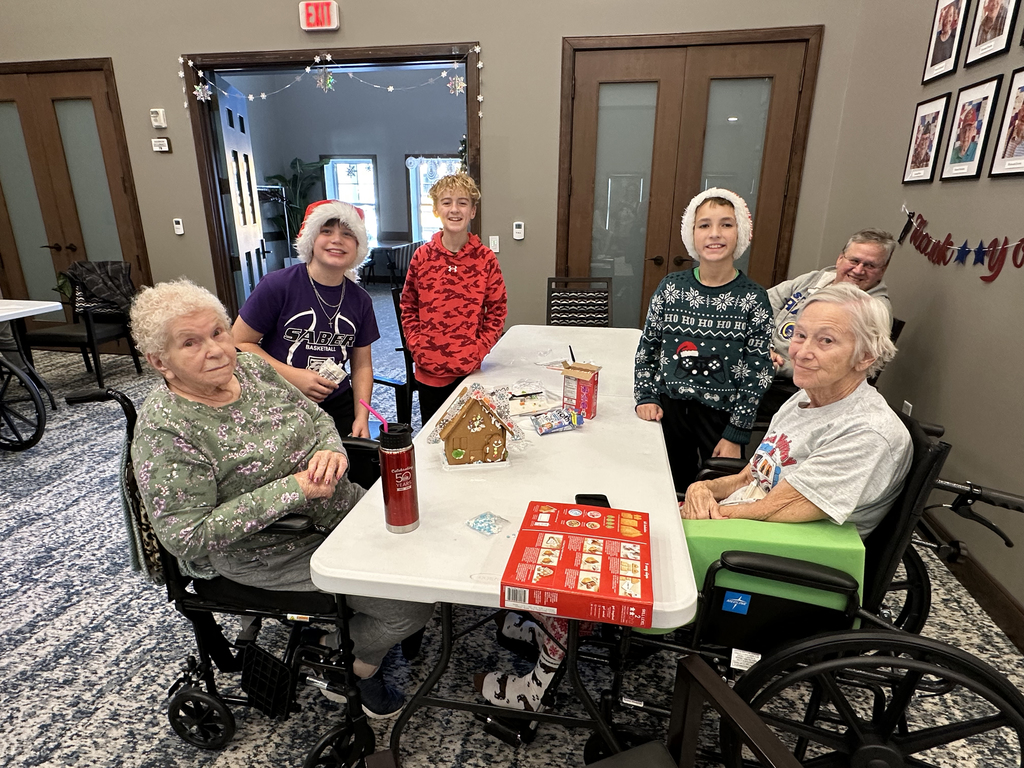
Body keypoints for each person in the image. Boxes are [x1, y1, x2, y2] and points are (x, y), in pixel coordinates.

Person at [130, 279, 433, 717]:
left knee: (427, 553)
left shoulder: (252, 370)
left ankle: (337, 635)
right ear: (161, 361)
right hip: (266, 550)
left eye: (217, 332)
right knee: (409, 606)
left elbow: (318, 419)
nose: (215, 349)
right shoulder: (167, 430)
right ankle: (351, 668)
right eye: (190, 343)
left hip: (336, 507)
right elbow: (186, 537)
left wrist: (331, 449)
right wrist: (292, 490)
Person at [682, 283, 912, 540]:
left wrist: (692, 517)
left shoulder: (867, 433)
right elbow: (751, 477)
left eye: (826, 340)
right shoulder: (804, 397)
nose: (801, 353)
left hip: (776, 555)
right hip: (744, 525)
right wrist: (700, 489)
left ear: (866, 356)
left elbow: (769, 510)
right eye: (800, 335)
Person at [633, 187, 774, 493]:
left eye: (726, 224)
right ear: (691, 234)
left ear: (741, 233)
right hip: (669, 413)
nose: (715, 234)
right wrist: (645, 395)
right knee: (669, 490)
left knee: (716, 494)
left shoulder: (754, 298)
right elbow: (648, 349)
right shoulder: (671, 287)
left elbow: (758, 371)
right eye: (704, 225)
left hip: (721, 418)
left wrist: (737, 431)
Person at [232, 200, 379, 438]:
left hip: (336, 402)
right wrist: (294, 376)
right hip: (278, 398)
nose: (336, 240)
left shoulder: (360, 300)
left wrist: (362, 417)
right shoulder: (277, 285)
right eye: (326, 231)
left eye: (347, 234)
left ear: (358, 246)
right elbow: (238, 342)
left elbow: (362, 365)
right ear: (310, 238)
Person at [400, 172, 507, 425]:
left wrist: (479, 349)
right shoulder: (422, 257)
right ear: (437, 209)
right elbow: (408, 305)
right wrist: (418, 345)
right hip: (429, 371)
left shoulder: (485, 259)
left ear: (472, 211)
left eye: (462, 202)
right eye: (446, 202)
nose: (454, 209)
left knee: (468, 434)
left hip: (469, 370)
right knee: (434, 435)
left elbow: (497, 309)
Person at [768, 228, 896, 378]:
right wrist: (760, 347)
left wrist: (776, 366)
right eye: (854, 260)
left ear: (883, 270)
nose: (859, 270)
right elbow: (763, 304)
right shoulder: (816, 278)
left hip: (795, 381)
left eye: (870, 265)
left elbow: (842, 367)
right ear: (840, 258)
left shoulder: (874, 309)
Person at [930, 0, 960, 66]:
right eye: (946, 16)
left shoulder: (954, 39)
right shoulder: (935, 41)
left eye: (950, 16)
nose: (948, 19)